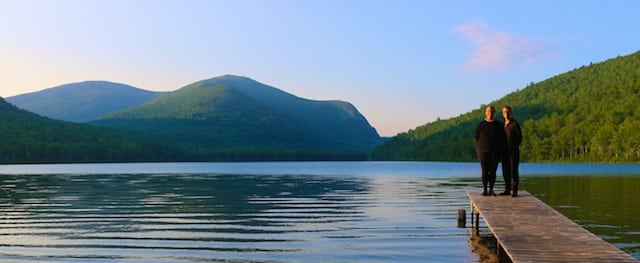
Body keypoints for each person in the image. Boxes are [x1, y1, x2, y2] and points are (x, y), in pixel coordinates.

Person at [474, 106, 505, 196]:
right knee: (484, 170)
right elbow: (476, 136)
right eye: (488, 111)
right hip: (482, 151)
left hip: (495, 151)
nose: (490, 113)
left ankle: (491, 189)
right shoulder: (481, 124)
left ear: (494, 113)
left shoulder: (498, 124)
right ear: (485, 113)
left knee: (493, 171)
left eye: (491, 111)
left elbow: (502, 137)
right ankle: (485, 190)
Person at [500, 106, 522, 197]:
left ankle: (515, 191)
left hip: (513, 152)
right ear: (502, 114)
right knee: (505, 172)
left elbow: (519, 137)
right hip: (504, 152)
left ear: (511, 112)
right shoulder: (502, 125)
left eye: (508, 112)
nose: (506, 113)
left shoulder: (514, 124)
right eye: (504, 112)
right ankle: (507, 190)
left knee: (514, 171)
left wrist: (513, 146)